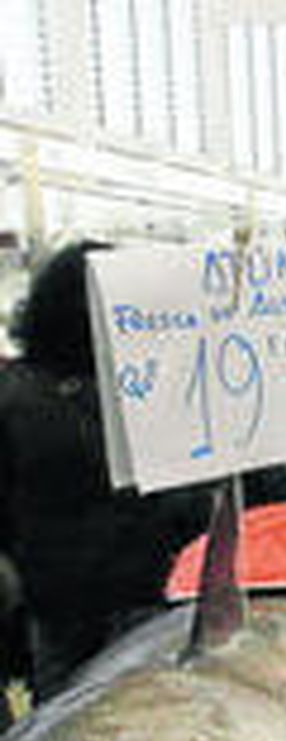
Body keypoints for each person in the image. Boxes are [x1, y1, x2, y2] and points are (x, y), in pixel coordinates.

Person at [0, 241, 212, 698]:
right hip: (149, 595)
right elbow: (188, 495)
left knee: (63, 725)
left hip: (58, 607)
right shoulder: (153, 389)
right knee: (150, 711)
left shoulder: (15, 394)